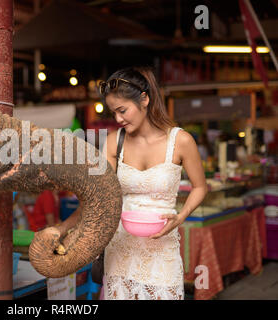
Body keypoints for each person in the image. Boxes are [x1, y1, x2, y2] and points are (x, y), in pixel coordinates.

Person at [67, 67, 207, 300]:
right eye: (114, 113)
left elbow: (200, 187)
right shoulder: (114, 142)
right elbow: (99, 195)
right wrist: (68, 230)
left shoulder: (180, 141)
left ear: (144, 99)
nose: (118, 119)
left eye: (122, 110)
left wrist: (180, 217)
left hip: (162, 249)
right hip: (120, 247)